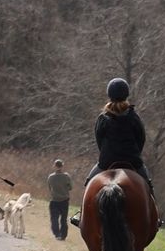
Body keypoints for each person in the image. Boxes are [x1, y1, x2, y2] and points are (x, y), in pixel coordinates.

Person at [72, 78, 157, 227]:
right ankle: (154, 219)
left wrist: (107, 154)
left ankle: (82, 216)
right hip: (133, 162)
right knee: (148, 185)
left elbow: (99, 140)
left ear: (109, 94)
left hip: (107, 162)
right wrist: (134, 155)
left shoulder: (103, 118)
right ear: (126, 94)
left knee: (89, 183)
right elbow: (141, 139)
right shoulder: (134, 117)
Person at [47, 158, 72, 240]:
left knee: (54, 218)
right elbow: (70, 187)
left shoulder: (51, 177)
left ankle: (56, 233)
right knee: (63, 219)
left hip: (54, 200)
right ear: (62, 166)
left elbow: (49, 187)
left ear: (55, 166)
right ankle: (63, 235)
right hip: (64, 200)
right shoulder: (66, 176)